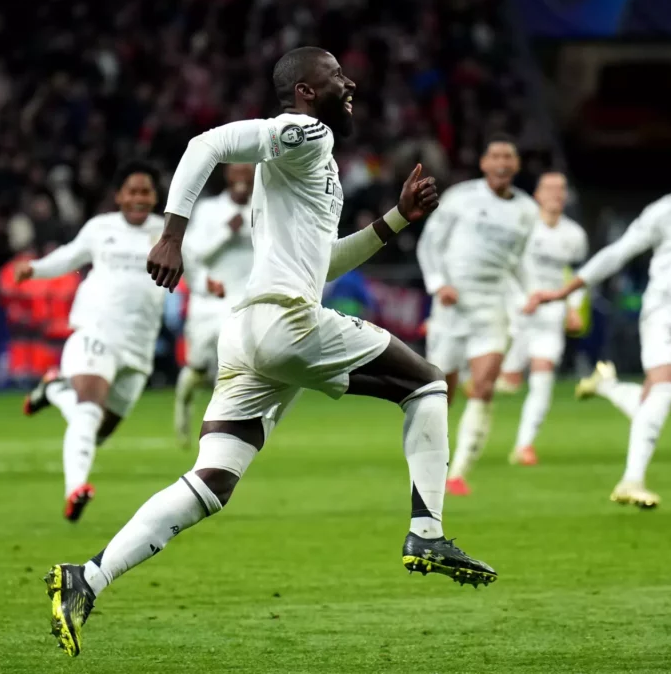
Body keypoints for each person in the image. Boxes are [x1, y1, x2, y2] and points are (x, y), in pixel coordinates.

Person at [44, 46, 496, 658]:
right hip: (285, 321)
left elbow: (322, 261)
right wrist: (171, 234)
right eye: (336, 75)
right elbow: (204, 144)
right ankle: (427, 532)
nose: (350, 81)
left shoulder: (311, 161)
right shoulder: (304, 130)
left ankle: (87, 578)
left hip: (252, 330)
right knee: (428, 383)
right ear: (307, 92)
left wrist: (395, 220)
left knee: (211, 482)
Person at [525, 136, 671, 508]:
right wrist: (565, 290)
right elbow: (618, 252)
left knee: (655, 403)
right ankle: (630, 481)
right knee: (665, 394)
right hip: (666, 311)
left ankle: (606, 386)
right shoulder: (667, 211)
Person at [18, 163, 165, 522]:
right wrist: (35, 268)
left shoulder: (166, 232)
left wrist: (210, 283)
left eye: (145, 191)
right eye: (131, 191)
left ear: (155, 197)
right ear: (118, 196)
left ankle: (54, 390)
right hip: (97, 330)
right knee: (88, 410)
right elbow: (70, 256)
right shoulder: (101, 229)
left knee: (98, 431)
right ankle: (76, 489)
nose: (138, 198)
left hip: (140, 345)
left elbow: (194, 265)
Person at [416, 134, 538, 496]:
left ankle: (460, 472)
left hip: (491, 305)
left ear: (515, 166)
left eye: (508, 157)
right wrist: (439, 284)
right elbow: (429, 244)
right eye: (495, 156)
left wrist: (531, 294)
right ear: (484, 163)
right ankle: (430, 456)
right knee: (441, 391)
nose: (502, 162)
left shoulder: (526, 210)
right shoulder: (461, 198)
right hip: (452, 305)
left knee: (484, 385)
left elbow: (518, 261)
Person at [502, 172, 588, 466]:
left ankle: (524, 445)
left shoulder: (574, 235)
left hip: (551, 315)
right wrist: (518, 301)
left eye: (561, 189)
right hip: (517, 314)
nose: (556, 193)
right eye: (549, 188)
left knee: (542, 378)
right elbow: (506, 267)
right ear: (537, 194)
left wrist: (574, 307)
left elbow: (577, 276)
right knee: (502, 382)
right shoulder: (523, 227)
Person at [174, 163, 255, 448]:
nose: (243, 176)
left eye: (249, 170)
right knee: (196, 369)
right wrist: (225, 233)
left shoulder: (266, 209)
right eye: (238, 170)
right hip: (210, 302)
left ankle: (227, 433)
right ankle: (183, 408)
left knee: (239, 368)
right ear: (228, 174)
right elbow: (194, 255)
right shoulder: (209, 210)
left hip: (245, 302)